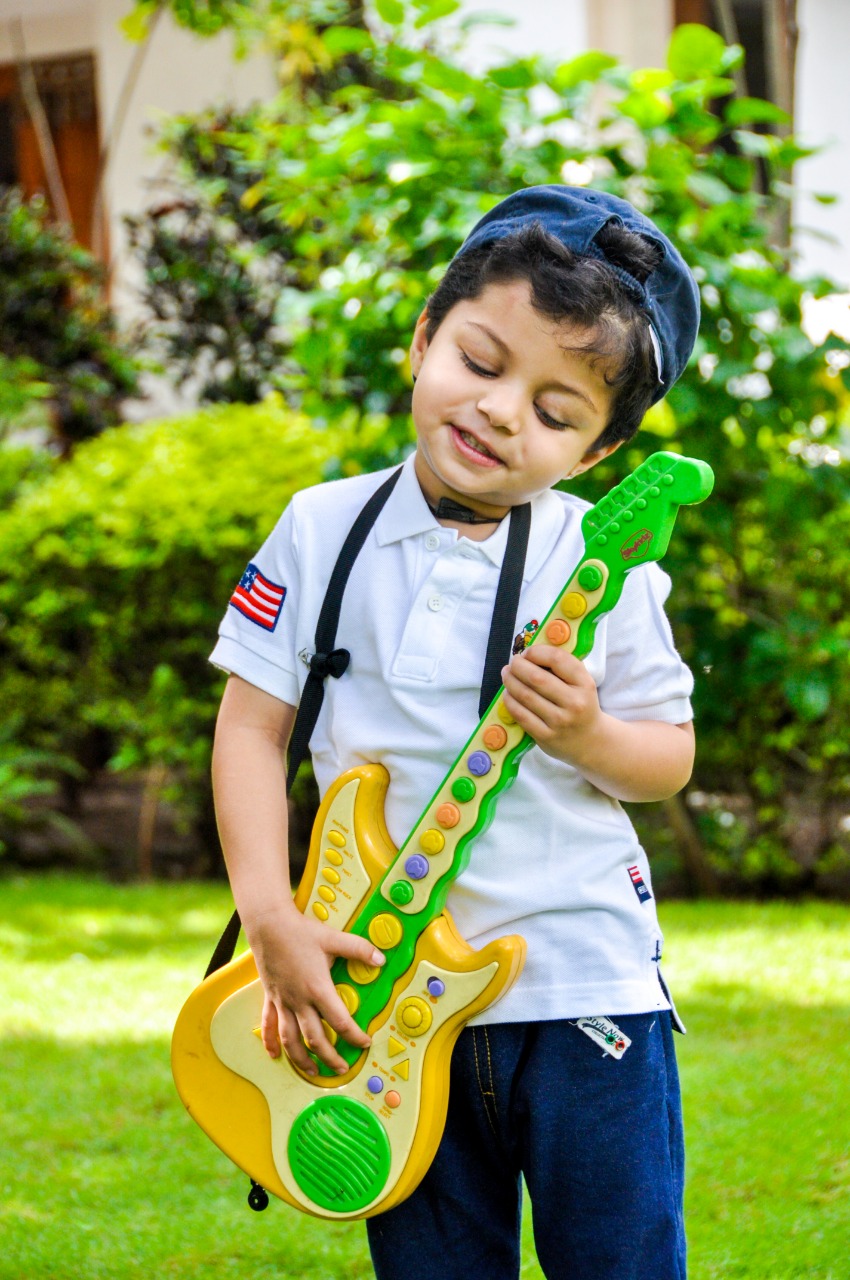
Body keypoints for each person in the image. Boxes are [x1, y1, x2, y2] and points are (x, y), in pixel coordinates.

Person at [209, 184, 701, 1280]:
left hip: (583, 985)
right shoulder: (320, 528)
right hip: (381, 992)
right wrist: (272, 917)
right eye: (480, 362)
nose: (500, 412)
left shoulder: (606, 563)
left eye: (556, 413)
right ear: (424, 338)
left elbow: (668, 757)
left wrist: (586, 732)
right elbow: (250, 731)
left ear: (597, 451)